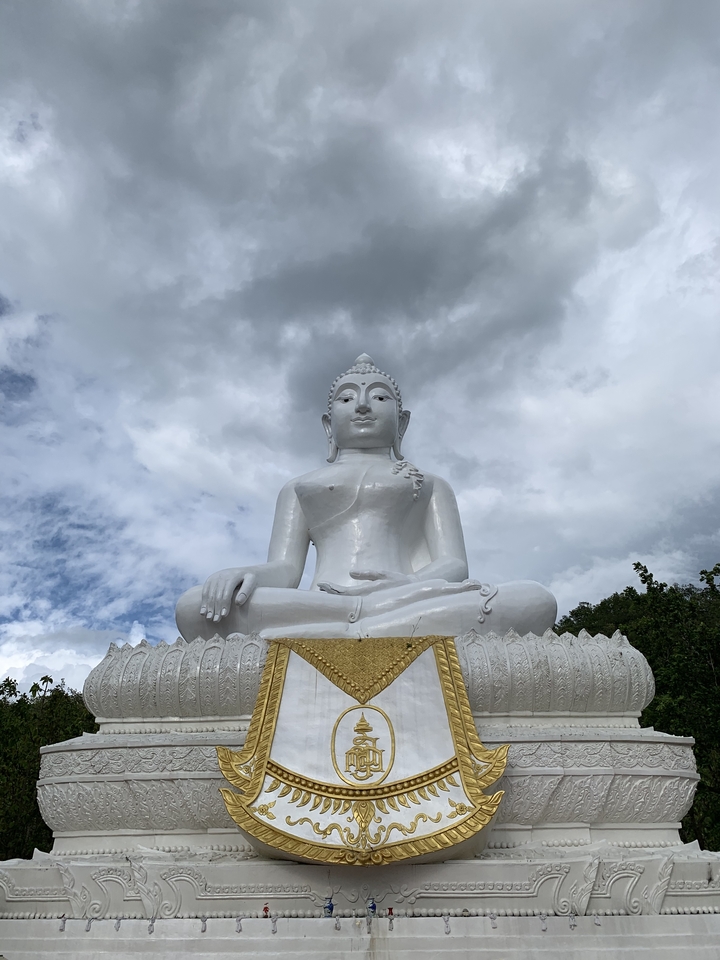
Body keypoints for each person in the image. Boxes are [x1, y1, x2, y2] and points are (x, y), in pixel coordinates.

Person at [176, 355, 556, 641]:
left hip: (405, 598)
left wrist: (407, 584)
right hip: (323, 602)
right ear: (328, 424)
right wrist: (245, 576)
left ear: (401, 421)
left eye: (378, 397)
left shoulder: (430, 484)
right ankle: (366, 626)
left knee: (534, 600)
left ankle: (336, 631)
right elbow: (286, 570)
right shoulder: (299, 487)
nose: (361, 406)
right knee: (195, 606)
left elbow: (454, 565)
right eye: (346, 399)